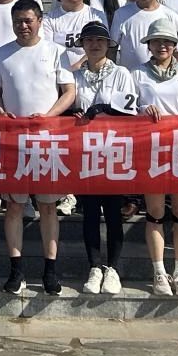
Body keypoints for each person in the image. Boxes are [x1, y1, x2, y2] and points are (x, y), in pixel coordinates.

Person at [0, 0, 76, 295]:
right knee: (14, 205)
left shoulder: (56, 52)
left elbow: (69, 92)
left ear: (39, 21)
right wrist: (1, 113)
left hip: (48, 139)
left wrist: (49, 116)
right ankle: (16, 269)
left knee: (48, 206)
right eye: (17, 22)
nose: (23, 26)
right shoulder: (1, 54)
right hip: (14, 140)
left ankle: (50, 269)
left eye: (28, 20)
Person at [133, 18, 178, 297]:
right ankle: (159, 272)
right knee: (156, 211)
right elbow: (129, 108)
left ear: (175, 45)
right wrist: (144, 110)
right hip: (151, 149)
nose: (162, 46)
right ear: (148, 45)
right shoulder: (137, 74)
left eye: (168, 41)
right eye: (157, 41)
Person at [71, 22, 136, 296]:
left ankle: (113, 267)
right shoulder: (75, 76)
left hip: (113, 149)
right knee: (89, 212)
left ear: (108, 44)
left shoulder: (121, 73)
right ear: (83, 45)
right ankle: (94, 266)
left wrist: (100, 109)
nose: (94, 45)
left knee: (112, 212)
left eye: (100, 40)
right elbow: (69, 105)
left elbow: (128, 110)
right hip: (85, 151)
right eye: (89, 40)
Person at [109, 0, 178, 72]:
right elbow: (112, 49)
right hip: (130, 78)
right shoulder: (121, 14)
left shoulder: (171, 16)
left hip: (163, 78)